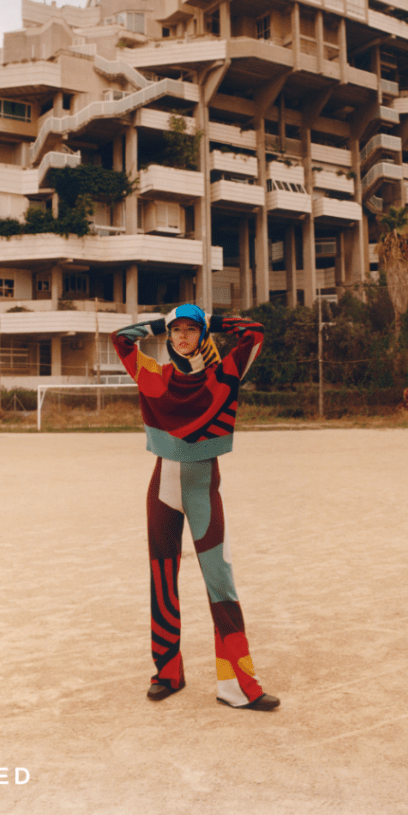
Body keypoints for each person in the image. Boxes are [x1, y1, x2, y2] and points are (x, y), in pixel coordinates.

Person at [111, 303, 280, 711]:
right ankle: (167, 673)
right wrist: (162, 321)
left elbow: (254, 333)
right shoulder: (155, 376)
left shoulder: (225, 374)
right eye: (177, 331)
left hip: (203, 490)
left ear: (203, 335)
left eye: (191, 329)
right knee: (162, 582)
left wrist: (211, 319)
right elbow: (121, 339)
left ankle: (236, 686)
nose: (183, 336)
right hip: (162, 490)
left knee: (220, 584)